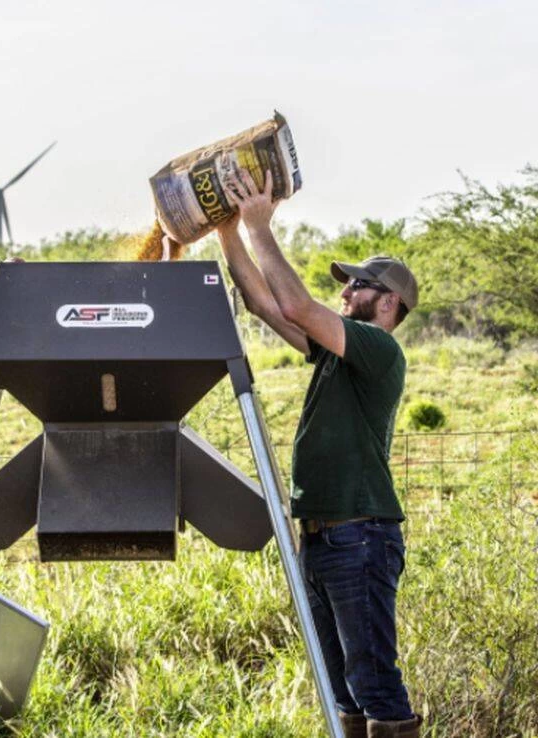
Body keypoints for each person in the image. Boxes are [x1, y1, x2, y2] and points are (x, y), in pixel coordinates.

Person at [217, 168, 421, 738]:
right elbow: (267, 304)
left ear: (389, 304)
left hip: (360, 538)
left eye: (358, 286)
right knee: (343, 691)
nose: (346, 292)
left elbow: (299, 305)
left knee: (375, 683)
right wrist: (229, 232)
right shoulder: (336, 354)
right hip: (324, 538)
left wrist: (261, 227)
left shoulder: (377, 349)